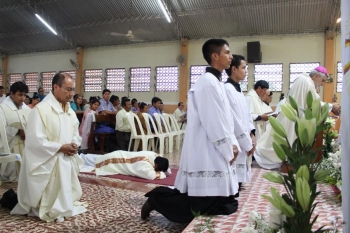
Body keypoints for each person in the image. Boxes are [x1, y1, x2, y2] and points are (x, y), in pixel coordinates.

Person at [141, 39, 240, 223]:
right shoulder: (208, 83)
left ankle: (160, 198)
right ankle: (156, 199)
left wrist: (233, 143)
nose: (231, 56)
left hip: (215, 147)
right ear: (215, 56)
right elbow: (214, 122)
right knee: (199, 205)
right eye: (227, 52)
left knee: (222, 201)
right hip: (208, 148)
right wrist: (228, 148)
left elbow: (227, 119)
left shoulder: (216, 81)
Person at [11, 73, 87, 222]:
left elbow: (75, 134)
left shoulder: (70, 112)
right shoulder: (40, 110)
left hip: (65, 157)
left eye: (73, 90)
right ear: (56, 87)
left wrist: (74, 145)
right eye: (68, 89)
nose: (71, 94)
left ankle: (63, 202)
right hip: (48, 159)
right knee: (48, 202)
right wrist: (60, 148)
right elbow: (35, 141)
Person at [255, 66, 341, 169]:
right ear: (317, 76)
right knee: (283, 142)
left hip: (290, 116)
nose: (322, 84)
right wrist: (331, 106)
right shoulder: (307, 82)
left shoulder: (302, 79)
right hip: (293, 118)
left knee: (282, 141)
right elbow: (314, 102)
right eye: (322, 81)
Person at [224, 54, 256, 187]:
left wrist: (252, 133)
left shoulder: (238, 89)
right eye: (244, 67)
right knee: (233, 182)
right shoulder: (227, 89)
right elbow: (234, 120)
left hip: (244, 138)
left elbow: (247, 114)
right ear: (234, 69)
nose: (246, 71)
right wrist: (247, 142)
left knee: (239, 179)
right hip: (237, 140)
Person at [0, 82, 30, 181]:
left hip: (24, 141)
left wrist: (27, 131)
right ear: (12, 93)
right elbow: (2, 128)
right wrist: (18, 130)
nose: (22, 98)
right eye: (20, 95)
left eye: (24, 95)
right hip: (10, 142)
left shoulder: (25, 108)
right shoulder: (3, 108)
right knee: (10, 174)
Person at [80, 151, 169, 180]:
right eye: (158, 170)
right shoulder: (145, 165)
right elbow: (151, 176)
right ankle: (80, 157)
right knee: (97, 162)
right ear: (156, 166)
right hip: (115, 161)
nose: (157, 171)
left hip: (120, 155)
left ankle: (82, 156)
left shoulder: (153, 155)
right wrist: (162, 174)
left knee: (98, 159)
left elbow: (162, 159)